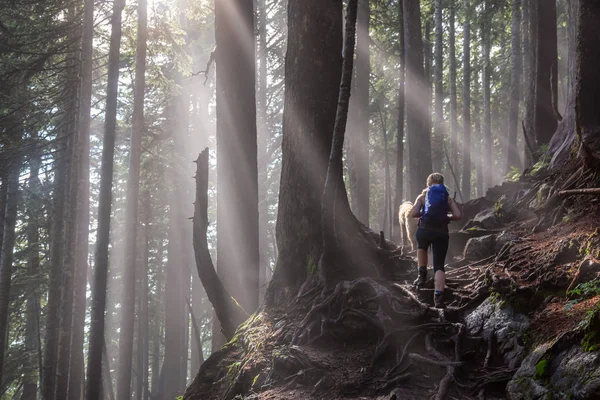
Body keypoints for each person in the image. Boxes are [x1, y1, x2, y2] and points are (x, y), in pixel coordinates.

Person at [409, 173, 462, 308]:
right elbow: (457, 215)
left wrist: (424, 214)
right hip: (441, 233)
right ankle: (438, 299)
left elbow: (413, 213)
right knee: (439, 266)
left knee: (422, 247)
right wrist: (446, 217)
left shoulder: (423, 196)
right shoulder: (447, 198)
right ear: (442, 183)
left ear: (429, 183)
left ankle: (422, 276)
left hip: (424, 230)